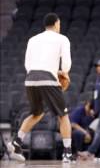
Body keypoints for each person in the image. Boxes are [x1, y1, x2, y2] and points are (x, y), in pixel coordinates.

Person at [7, 13, 74, 162]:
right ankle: (67, 152)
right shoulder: (62, 39)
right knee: (63, 116)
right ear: (57, 24)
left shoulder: (33, 39)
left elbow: (27, 65)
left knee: (37, 113)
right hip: (48, 79)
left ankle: (16, 142)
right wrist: (64, 74)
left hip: (30, 79)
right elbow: (66, 65)